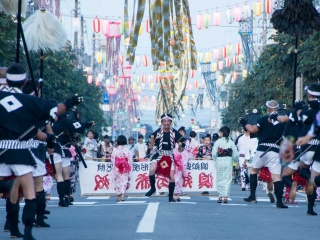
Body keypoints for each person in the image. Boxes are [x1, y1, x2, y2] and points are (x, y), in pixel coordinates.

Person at [0, 63, 81, 239]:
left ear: (6, 80)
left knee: (11, 191)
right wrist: (70, 102)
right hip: (21, 150)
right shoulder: (31, 102)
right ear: (25, 81)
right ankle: (27, 232)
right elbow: (55, 112)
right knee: (30, 193)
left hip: (1, 150)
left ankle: (12, 226)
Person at [239, 100, 288, 208]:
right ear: (278, 109)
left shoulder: (263, 119)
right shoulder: (283, 121)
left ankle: (252, 196)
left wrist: (243, 122)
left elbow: (252, 130)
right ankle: (279, 201)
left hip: (262, 149)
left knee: (253, 170)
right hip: (275, 150)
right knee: (276, 177)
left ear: (268, 109)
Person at [145, 113, 184, 202]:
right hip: (159, 154)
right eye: (164, 121)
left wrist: (181, 146)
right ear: (162, 122)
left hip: (169, 155)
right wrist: (150, 146)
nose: (166, 123)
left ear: (171, 122)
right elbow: (150, 141)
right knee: (151, 170)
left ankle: (170, 197)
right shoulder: (158, 132)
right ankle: (153, 188)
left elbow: (182, 141)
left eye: (168, 121)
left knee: (171, 177)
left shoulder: (174, 132)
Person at [212, 126, 238, 203]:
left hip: (219, 160)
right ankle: (226, 196)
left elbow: (214, 153)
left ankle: (220, 196)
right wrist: (234, 161)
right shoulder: (231, 142)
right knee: (227, 178)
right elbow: (236, 154)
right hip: (228, 160)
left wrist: (215, 160)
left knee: (220, 177)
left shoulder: (218, 142)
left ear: (222, 133)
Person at [111, 135, 133, 202]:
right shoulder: (127, 150)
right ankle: (123, 195)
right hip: (125, 167)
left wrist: (115, 166)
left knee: (118, 181)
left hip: (117, 167)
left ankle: (118, 196)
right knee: (124, 181)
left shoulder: (115, 150)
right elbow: (130, 159)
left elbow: (113, 158)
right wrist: (128, 165)